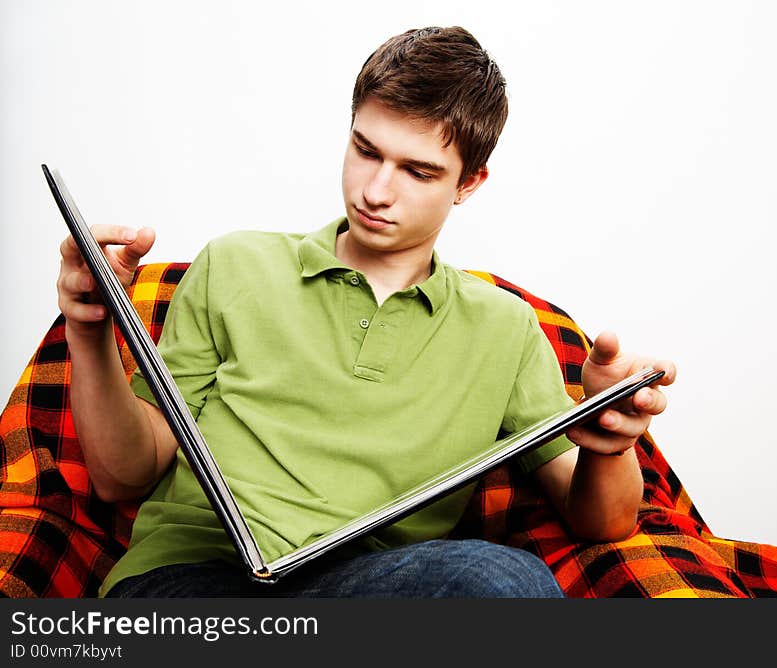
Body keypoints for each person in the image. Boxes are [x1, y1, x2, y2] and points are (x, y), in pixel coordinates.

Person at [56, 26, 675, 598]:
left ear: (470, 183)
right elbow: (122, 478)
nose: (375, 192)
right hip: (191, 580)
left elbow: (608, 521)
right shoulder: (235, 265)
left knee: (503, 579)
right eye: (365, 150)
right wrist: (88, 329)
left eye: (418, 171)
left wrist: (609, 443)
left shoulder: (506, 329)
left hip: (368, 588)